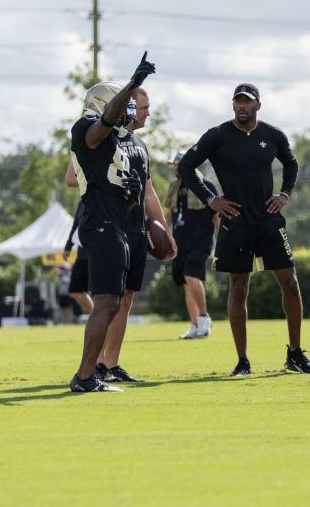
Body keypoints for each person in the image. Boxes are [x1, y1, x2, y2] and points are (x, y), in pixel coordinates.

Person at [178, 83, 310, 376]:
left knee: (290, 282)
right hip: (235, 221)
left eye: (248, 102)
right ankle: (242, 361)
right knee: (239, 287)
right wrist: (212, 199)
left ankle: (295, 354)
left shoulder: (272, 135)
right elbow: (187, 167)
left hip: (268, 221)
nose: (242, 106)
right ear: (233, 105)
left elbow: (291, 164)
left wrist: (284, 195)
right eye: (238, 102)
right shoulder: (217, 136)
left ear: (258, 105)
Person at [66, 53, 155, 393]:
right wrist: (133, 84)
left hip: (116, 223)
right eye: (127, 105)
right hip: (100, 225)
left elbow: (119, 187)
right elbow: (103, 124)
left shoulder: (121, 143)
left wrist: (133, 194)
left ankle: (93, 373)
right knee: (106, 302)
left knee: (114, 301)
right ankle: (86, 376)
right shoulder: (86, 130)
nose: (131, 112)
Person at [95, 86, 175, 384]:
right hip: (112, 226)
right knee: (109, 300)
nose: (147, 113)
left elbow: (150, 191)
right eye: (143, 108)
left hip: (137, 228)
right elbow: (73, 177)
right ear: (127, 108)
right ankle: (96, 365)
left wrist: (164, 229)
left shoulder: (140, 144)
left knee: (127, 298)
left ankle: (111, 364)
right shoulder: (103, 138)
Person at [167, 153, 219, 340]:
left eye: (178, 165)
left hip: (201, 240)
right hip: (181, 241)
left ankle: (204, 318)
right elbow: (169, 214)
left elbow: (217, 215)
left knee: (192, 276)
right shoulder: (175, 187)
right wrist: (164, 236)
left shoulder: (207, 186)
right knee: (186, 282)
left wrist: (221, 242)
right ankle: (195, 325)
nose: (175, 168)